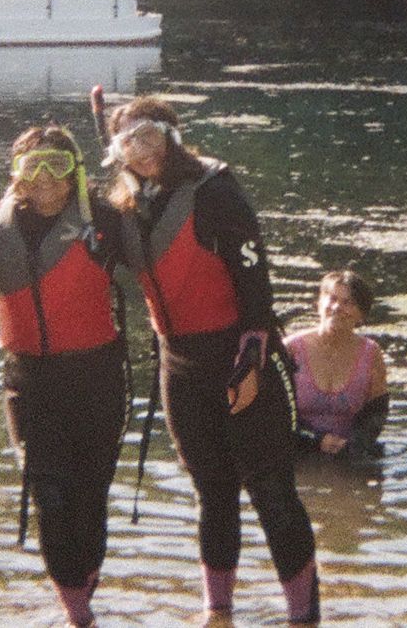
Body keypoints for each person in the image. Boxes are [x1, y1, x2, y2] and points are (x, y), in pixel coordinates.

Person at [97, 89, 320, 625]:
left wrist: (251, 358)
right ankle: (217, 614)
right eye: (127, 143)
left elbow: (256, 287)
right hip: (179, 366)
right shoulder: (127, 207)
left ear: (173, 138)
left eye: (150, 137)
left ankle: (306, 616)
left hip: (239, 357)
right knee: (212, 492)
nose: (141, 151)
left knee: (271, 490)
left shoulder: (215, 191)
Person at [0, 125, 126, 627]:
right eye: (30, 167)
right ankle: (77, 613)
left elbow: (153, 275)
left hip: (97, 377)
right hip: (29, 380)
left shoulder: (103, 220)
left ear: (74, 175)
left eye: (55, 167)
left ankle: (83, 594)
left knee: (90, 494)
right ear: (14, 175)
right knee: (49, 496)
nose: (43, 179)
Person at [286, 270, 389, 460]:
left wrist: (355, 444)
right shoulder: (291, 349)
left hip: (348, 455)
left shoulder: (371, 353)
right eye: (332, 298)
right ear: (318, 304)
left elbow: (377, 412)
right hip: (296, 451)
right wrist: (316, 440)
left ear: (362, 315)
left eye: (347, 302)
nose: (337, 307)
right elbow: (271, 415)